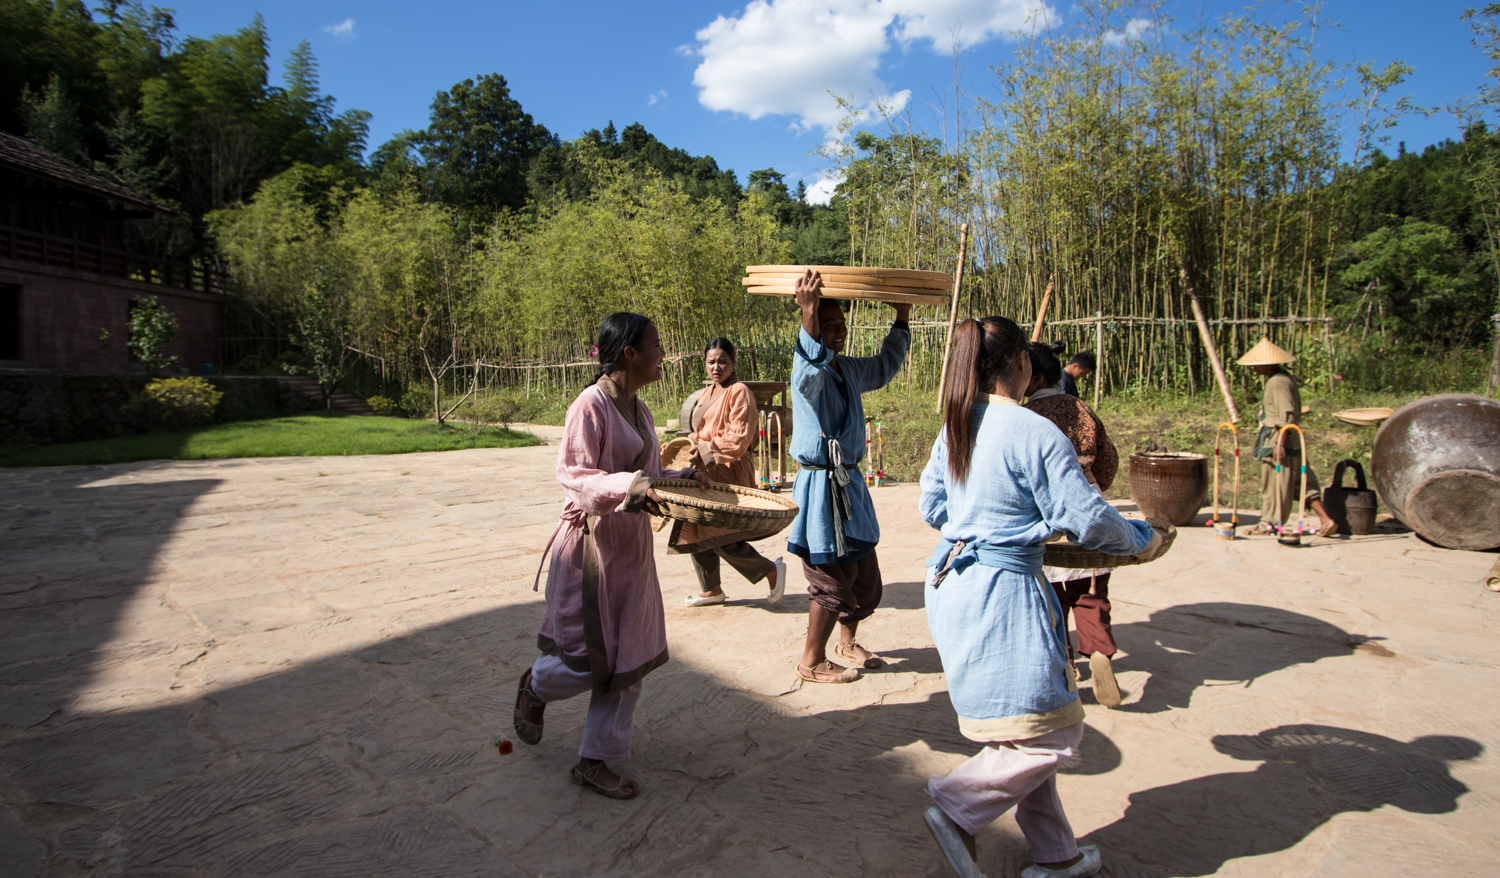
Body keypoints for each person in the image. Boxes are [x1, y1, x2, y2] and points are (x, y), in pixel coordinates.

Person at [918, 316, 1161, 878]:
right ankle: (957, 807)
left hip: (954, 584)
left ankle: (1058, 856)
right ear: (1021, 362)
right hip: (1004, 596)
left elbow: (933, 507)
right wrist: (1139, 537)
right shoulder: (1034, 431)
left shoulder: (955, 426)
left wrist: (985, 526)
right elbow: (1086, 517)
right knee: (1054, 733)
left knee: (1023, 727)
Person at [514, 312, 712, 799]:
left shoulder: (639, 409)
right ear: (630, 353)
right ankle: (536, 686)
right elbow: (575, 475)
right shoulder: (589, 406)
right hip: (592, 551)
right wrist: (632, 487)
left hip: (632, 552)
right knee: (587, 661)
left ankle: (594, 759)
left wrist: (679, 478)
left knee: (630, 660)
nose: (663, 354)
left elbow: (649, 472)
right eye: (656, 346)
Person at [787, 269, 910, 683]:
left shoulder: (849, 369)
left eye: (841, 324)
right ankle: (811, 660)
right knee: (831, 578)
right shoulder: (806, 371)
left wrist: (902, 318)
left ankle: (846, 642)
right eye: (828, 325)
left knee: (860, 572)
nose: (838, 331)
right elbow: (809, 364)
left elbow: (885, 366)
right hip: (821, 488)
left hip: (850, 485)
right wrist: (808, 311)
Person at [1023, 341, 1124, 709]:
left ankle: (1065, 662)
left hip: (1045, 515)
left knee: (1050, 600)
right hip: (1088, 510)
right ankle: (1098, 651)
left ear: (1034, 378)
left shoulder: (1025, 417)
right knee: (1090, 593)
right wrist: (1096, 489)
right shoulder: (1081, 408)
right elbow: (1108, 458)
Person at [674, 337, 787, 607]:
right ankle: (711, 589)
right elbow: (700, 432)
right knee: (695, 525)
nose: (716, 367)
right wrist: (687, 443)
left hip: (729, 469)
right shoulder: (706, 393)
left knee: (721, 533)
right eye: (711, 362)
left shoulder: (739, 392)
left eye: (722, 361)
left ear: (733, 362)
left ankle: (770, 570)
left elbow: (739, 439)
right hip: (704, 470)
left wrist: (705, 449)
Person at [1236, 338, 1337, 537]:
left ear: (1267, 363)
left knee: (1275, 484)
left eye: (1256, 364)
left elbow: (1286, 415)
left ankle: (1269, 523)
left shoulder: (1277, 382)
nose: (1254, 368)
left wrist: (1279, 443)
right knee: (1301, 482)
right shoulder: (1284, 379)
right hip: (1290, 440)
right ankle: (1326, 519)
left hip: (1280, 438)